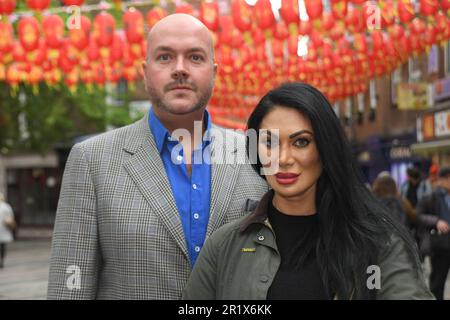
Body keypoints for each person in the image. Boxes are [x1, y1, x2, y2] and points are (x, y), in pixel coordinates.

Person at [47, 14, 267, 299]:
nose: (180, 69)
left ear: (214, 70)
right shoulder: (91, 160)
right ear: (145, 70)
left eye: (195, 57)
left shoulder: (255, 152)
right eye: (164, 57)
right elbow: (69, 282)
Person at [183, 82, 433, 300]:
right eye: (269, 142)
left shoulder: (379, 243)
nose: (283, 158)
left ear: (325, 148)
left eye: (301, 142)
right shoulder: (224, 246)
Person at [416, 167, 450, 300]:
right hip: (440, 246)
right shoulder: (430, 197)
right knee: (437, 284)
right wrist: (436, 222)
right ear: (442, 180)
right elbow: (418, 216)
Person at [0, 192, 15, 269]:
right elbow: (11, 216)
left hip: (3, 229)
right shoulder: (7, 207)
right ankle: (1, 260)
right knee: (2, 246)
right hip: (4, 229)